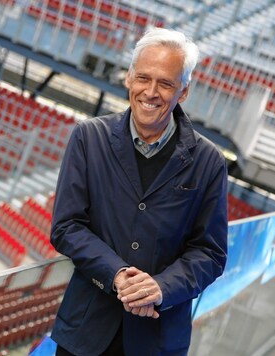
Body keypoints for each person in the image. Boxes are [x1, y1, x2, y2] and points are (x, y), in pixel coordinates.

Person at [49, 27, 229, 356]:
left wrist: (160, 288)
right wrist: (117, 276)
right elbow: (66, 226)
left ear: (184, 91)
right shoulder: (89, 138)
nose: (151, 92)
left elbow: (210, 253)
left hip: (158, 339)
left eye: (165, 83)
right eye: (143, 78)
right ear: (129, 78)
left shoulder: (209, 162)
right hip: (85, 334)